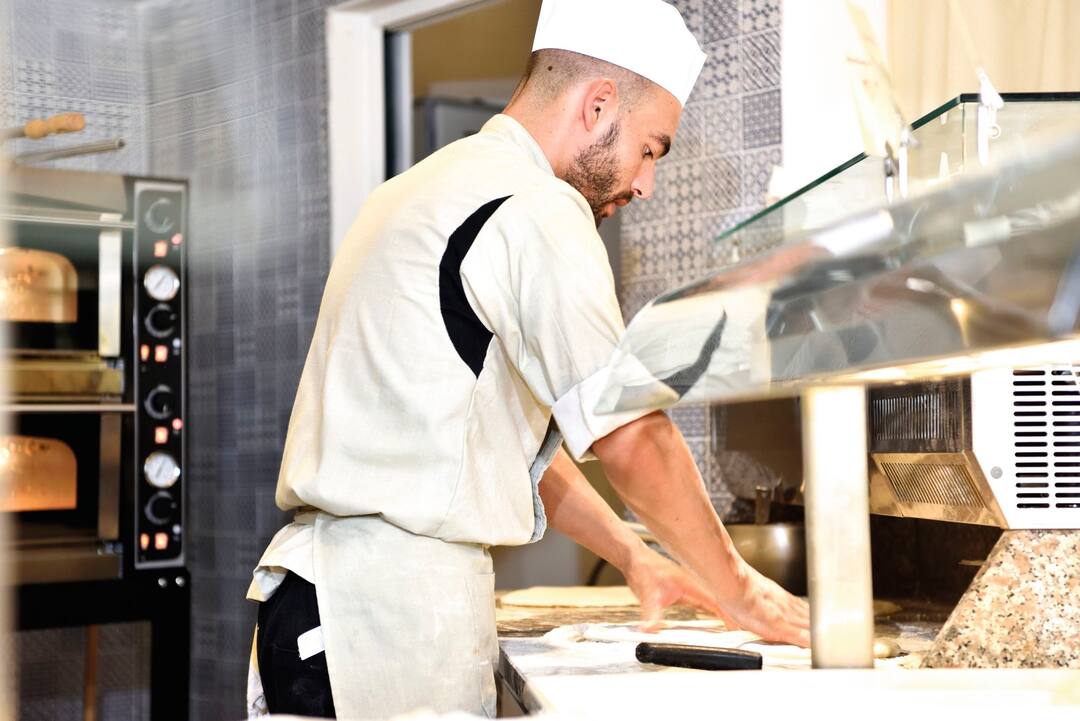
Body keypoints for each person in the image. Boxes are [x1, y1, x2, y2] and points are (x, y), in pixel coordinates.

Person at [246, 0, 810, 718]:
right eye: (651, 149)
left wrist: (634, 556)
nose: (645, 183)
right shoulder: (537, 206)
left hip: (316, 604)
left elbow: (492, 448)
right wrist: (742, 589)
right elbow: (633, 434)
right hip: (387, 621)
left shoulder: (418, 190)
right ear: (598, 106)